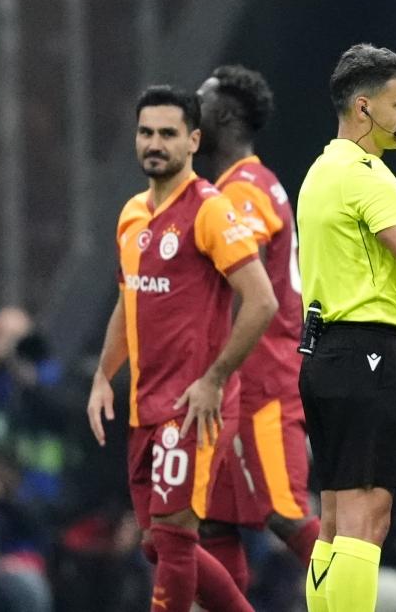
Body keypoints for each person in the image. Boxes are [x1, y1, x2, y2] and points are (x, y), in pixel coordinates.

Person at [86, 85, 279, 612]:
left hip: (195, 404)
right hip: (144, 404)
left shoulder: (211, 210)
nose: (155, 143)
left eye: (168, 133)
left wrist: (214, 379)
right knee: (156, 542)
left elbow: (261, 300)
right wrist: (103, 376)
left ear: (193, 140)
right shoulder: (131, 213)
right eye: (146, 132)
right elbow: (129, 301)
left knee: (173, 538)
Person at [295, 43, 396, 612]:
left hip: (324, 355)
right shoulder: (369, 176)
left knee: (336, 520)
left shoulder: (320, 171)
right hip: (368, 353)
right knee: (368, 518)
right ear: (364, 107)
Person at [194, 65, 321, 592]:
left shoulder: (243, 193)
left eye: (201, 99)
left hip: (259, 378)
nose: (190, 108)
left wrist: (214, 371)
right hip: (235, 383)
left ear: (225, 115)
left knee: (285, 512)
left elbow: (251, 292)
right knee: (214, 520)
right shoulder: (235, 186)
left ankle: (356, 597)